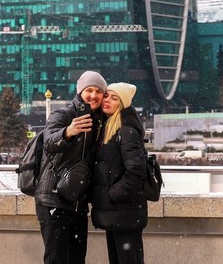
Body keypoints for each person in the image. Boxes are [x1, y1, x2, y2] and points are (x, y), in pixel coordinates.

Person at [35, 71, 107, 264]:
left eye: (98, 91)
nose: (93, 95)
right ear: (80, 92)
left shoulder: (101, 121)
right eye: (89, 90)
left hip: (78, 203)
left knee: (77, 259)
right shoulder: (63, 115)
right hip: (53, 199)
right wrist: (68, 132)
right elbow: (48, 143)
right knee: (57, 258)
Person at [90, 82, 147, 264]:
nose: (107, 100)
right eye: (107, 96)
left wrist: (113, 194)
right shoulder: (108, 127)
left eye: (114, 98)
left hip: (125, 212)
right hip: (116, 213)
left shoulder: (126, 131)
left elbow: (136, 171)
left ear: (122, 104)